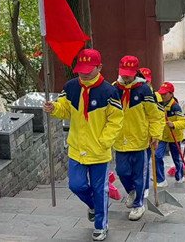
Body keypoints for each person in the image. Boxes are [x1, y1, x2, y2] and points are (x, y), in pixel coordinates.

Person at [43, 48, 123, 241]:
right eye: (81, 69)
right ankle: (94, 205)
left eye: (89, 69)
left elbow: (116, 121)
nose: (84, 73)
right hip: (77, 149)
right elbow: (65, 109)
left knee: (100, 189)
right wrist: (54, 108)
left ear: (99, 67)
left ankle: (101, 225)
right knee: (76, 185)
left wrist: (104, 141)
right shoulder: (71, 87)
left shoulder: (109, 92)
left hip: (99, 151)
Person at [112, 55, 163, 221]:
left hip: (140, 141)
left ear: (135, 72)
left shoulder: (144, 89)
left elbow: (155, 115)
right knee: (122, 171)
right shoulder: (114, 88)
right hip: (120, 140)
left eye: (129, 74)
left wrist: (155, 134)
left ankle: (138, 204)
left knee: (139, 175)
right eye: (123, 73)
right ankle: (132, 191)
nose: (126, 77)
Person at [154, 82, 185, 184]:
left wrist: (173, 124)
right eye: (161, 94)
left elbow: (183, 122)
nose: (162, 96)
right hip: (162, 136)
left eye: (165, 94)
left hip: (175, 137)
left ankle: (179, 176)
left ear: (171, 94)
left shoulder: (175, 107)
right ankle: (160, 179)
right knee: (157, 156)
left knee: (177, 158)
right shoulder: (158, 104)